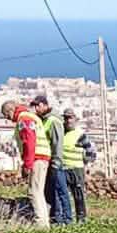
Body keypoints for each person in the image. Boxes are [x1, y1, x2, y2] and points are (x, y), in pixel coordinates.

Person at [3, 99, 50, 228]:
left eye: (6, 115)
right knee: (38, 191)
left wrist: (27, 165)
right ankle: (44, 222)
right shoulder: (30, 116)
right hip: (41, 156)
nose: (7, 118)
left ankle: (41, 224)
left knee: (34, 192)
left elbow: (29, 141)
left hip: (37, 157)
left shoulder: (24, 119)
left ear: (11, 110)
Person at [32, 95, 71, 226]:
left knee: (60, 191)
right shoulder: (43, 121)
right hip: (47, 160)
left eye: (38, 106)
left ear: (45, 105)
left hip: (54, 161)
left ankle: (66, 219)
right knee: (50, 191)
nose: (36, 109)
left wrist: (56, 162)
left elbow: (57, 143)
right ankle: (55, 217)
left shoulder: (53, 121)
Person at [59, 110, 94, 222]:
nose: (68, 121)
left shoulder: (80, 134)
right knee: (63, 195)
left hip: (76, 169)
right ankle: (65, 219)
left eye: (70, 118)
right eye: (66, 118)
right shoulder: (60, 133)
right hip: (63, 169)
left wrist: (85, 164)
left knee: (79, 195)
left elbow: (90, 152)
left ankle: (81, 219)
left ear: (75, 119)